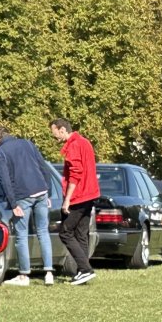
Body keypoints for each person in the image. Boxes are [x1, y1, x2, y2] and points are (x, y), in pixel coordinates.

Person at [0, 125, 54, 286]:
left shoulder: (0, 153)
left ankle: (24, 275)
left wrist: (13, 204)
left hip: (22, 195)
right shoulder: (27, 143)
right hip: (41, 191)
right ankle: (49, 273)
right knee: (43, 232)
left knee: (21, 235)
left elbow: (4, 180)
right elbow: (43, 167)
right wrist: (48, 192)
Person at [50, 117, 99, 286]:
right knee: (81, 234)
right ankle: (82, 272)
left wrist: (67, 200)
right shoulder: (85, 142)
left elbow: (75, 175)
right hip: (90, 194)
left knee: (65, 232)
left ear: (62, 130)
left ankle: (85, 269)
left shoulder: (73, 145)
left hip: (79, 195)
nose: (55, 138)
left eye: (55, 133)